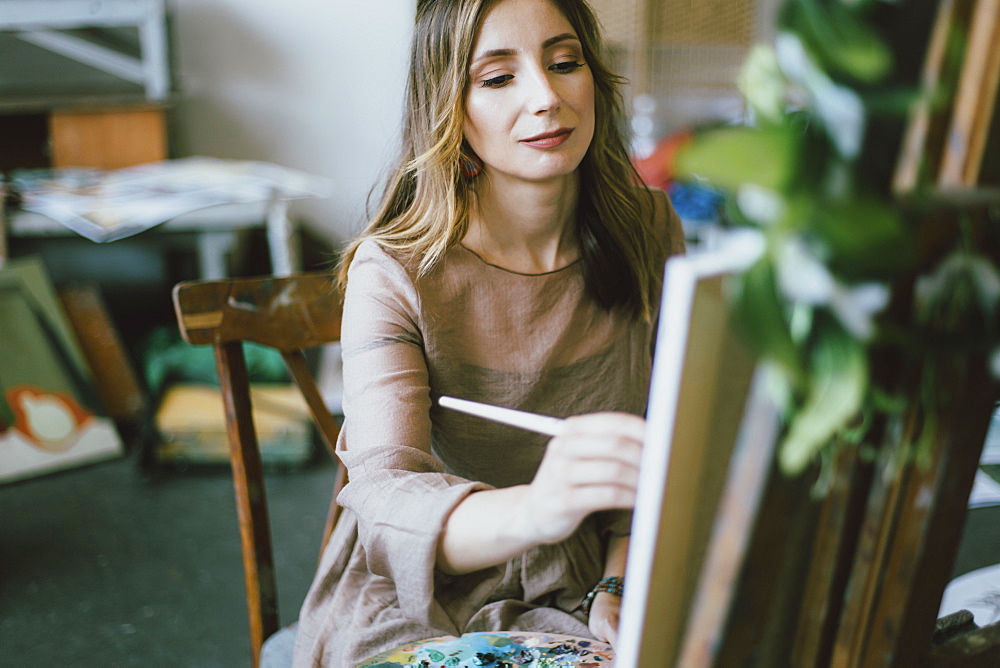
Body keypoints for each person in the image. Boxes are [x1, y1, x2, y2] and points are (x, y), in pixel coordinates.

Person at [293, 0, 685, 664]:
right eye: (498, 77)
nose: (546, 97)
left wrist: (617, 580)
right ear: (450, 105)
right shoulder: (395, 269)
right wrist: (540, 507)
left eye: (565, 63)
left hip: (602, 575)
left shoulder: (648, 227)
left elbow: (661, 441)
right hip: (426, 596)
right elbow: (386, 500)